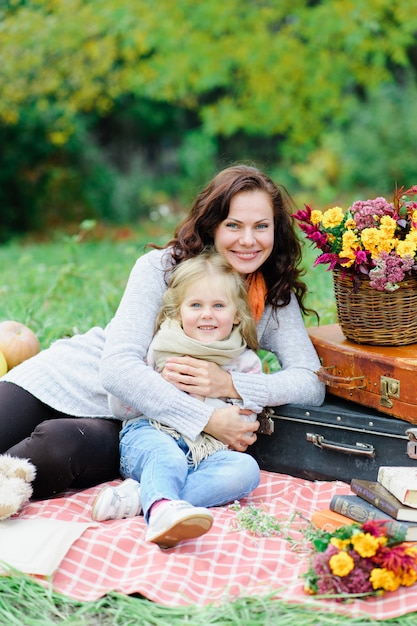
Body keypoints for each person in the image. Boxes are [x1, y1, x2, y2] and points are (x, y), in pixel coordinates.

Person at [0, 163, 325, 515]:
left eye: (261, 226)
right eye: (233, 225)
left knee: (54, 450)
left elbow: (311, 382)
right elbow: (118, 370)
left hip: (136, 422)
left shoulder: (274, 296)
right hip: (73, 378)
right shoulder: (162, 268)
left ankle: (147, 497)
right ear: (212, 224)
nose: (248, 240)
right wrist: (206, 419)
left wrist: (231, 384)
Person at [92, 250, 263, 548]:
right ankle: (160, 510)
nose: (207, 314)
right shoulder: (161, 349)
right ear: (178, 311)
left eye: (219, 305)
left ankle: (145, 497)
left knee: (245, 471)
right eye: (195, 305)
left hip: (204, 455)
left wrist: (221, 390)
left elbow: (244, 424)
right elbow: (120, 408)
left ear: (236, 313)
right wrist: (162, 385)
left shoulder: (243, 362)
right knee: (167, 457)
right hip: (149, 437)